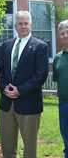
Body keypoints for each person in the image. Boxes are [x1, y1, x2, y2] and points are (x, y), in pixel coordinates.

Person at [0, 10, 49, 158]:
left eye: (26, 23)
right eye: (20, 23)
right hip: (6, 104)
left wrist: (20, 90)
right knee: (7, 146)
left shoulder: (40, 46)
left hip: (29, 103)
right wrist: (4, 87)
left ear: (31, 25)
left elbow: (40, 75)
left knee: (29, 148)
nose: (23, 26)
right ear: (15, 26)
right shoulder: (6, 45)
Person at [53, 20, 68, 158]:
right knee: (66, 138)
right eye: (62, 33)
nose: (65, 35)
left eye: (67, 32)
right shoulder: (58, 58)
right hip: (64, 104)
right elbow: (58, 81)